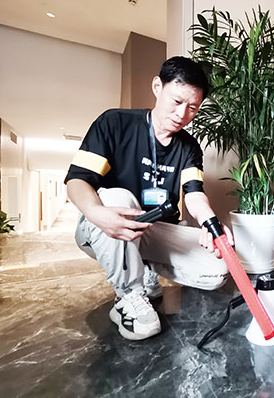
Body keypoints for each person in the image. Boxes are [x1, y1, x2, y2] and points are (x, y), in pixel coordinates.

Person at [65, 56, 233, 341]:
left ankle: (144, 269)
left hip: (155, 230)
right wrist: (95, 212)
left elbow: (194, 194)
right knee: (120, 197)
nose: (182, 114)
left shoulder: (189, 147)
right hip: (105, 227)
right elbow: (76, 181)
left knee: (217, 271)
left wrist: (211, 224)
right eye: (176, 101)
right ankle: (128, 295)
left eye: (193, 108)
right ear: (157, 87)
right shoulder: (114, 123)